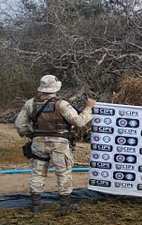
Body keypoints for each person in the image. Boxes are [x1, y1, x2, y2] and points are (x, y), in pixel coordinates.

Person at [14, 75, 96, 215]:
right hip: (60, 144)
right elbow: (79, 122)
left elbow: (19, 125)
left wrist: (33, 134)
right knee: (63, 173)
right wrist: (89, 108)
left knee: (38, 173)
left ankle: (36, 205)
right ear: (56, 87)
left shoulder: (30, 104)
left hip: (38, 144)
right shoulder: (62, 104)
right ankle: (65, 206)